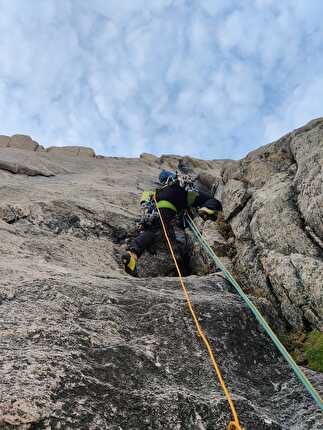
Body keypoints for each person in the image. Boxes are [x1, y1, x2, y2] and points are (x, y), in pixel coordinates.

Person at [122, 172, 223, 276]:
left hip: (160, 203)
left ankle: (132, 254)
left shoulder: (160, 190)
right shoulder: (178, 183)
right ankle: (207, 208)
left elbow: (147, 201)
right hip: (180, 196)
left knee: (154, 228)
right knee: (211, 199)